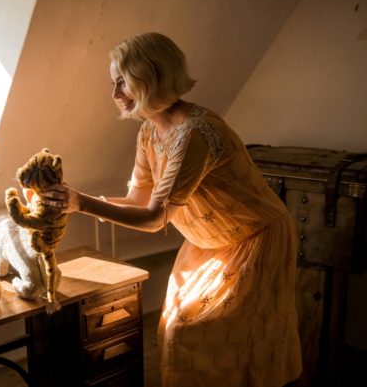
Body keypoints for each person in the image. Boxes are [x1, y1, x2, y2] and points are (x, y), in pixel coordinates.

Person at [42, 32, 302, 386]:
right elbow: (138, 202)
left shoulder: (196, 133)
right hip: (209, 241)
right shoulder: (149, 133)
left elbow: (153, 219)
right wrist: (77, 203)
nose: (115, 94)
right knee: (177, 325)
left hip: (254, 238)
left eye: (123, 82)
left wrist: (81, 203)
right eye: (113, 83)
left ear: (152, 77)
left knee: (229, 338)